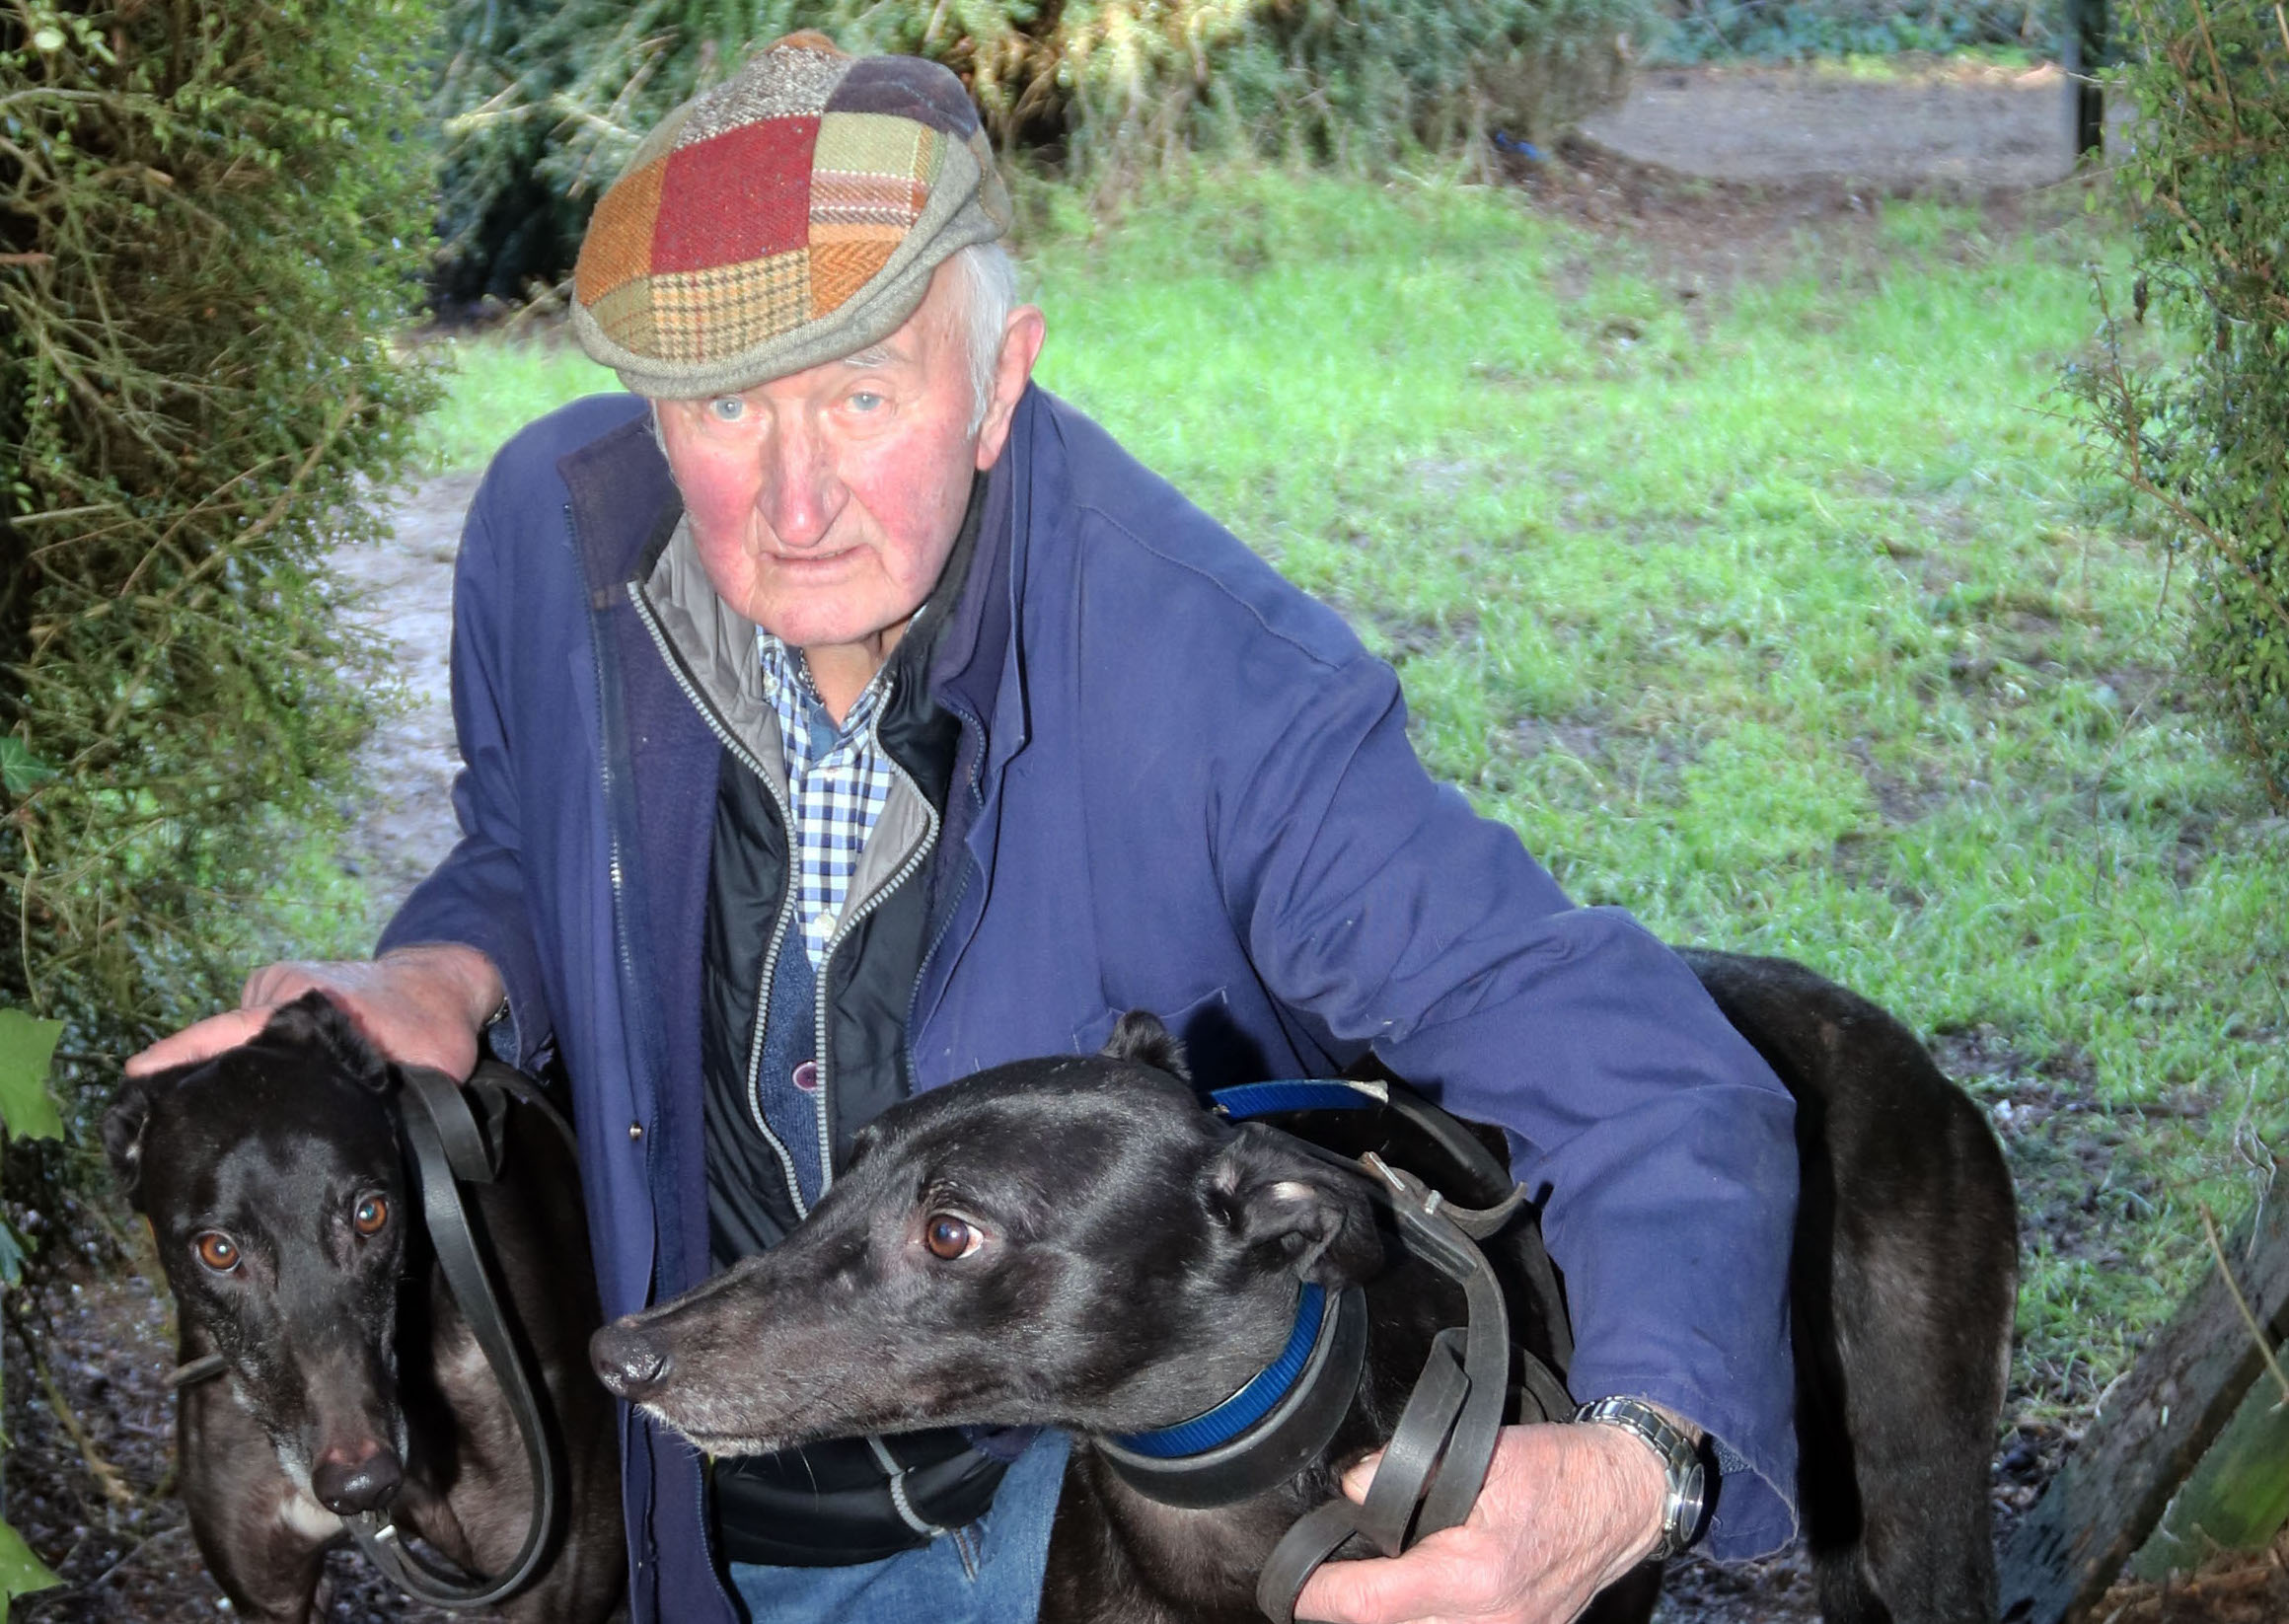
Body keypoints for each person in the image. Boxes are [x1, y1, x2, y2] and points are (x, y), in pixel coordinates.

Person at [131, 35, 1800, 1624]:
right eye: (724, 412)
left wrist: (1632, 1468)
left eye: (859, 395)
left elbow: (1634, 1061)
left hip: (1094, 1514)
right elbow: (525, 833)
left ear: (1000, 379)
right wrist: (447, 958)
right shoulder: (547, 542)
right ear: (654, 416)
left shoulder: (1224, 688)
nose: (794, 502)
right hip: (698, 1493)